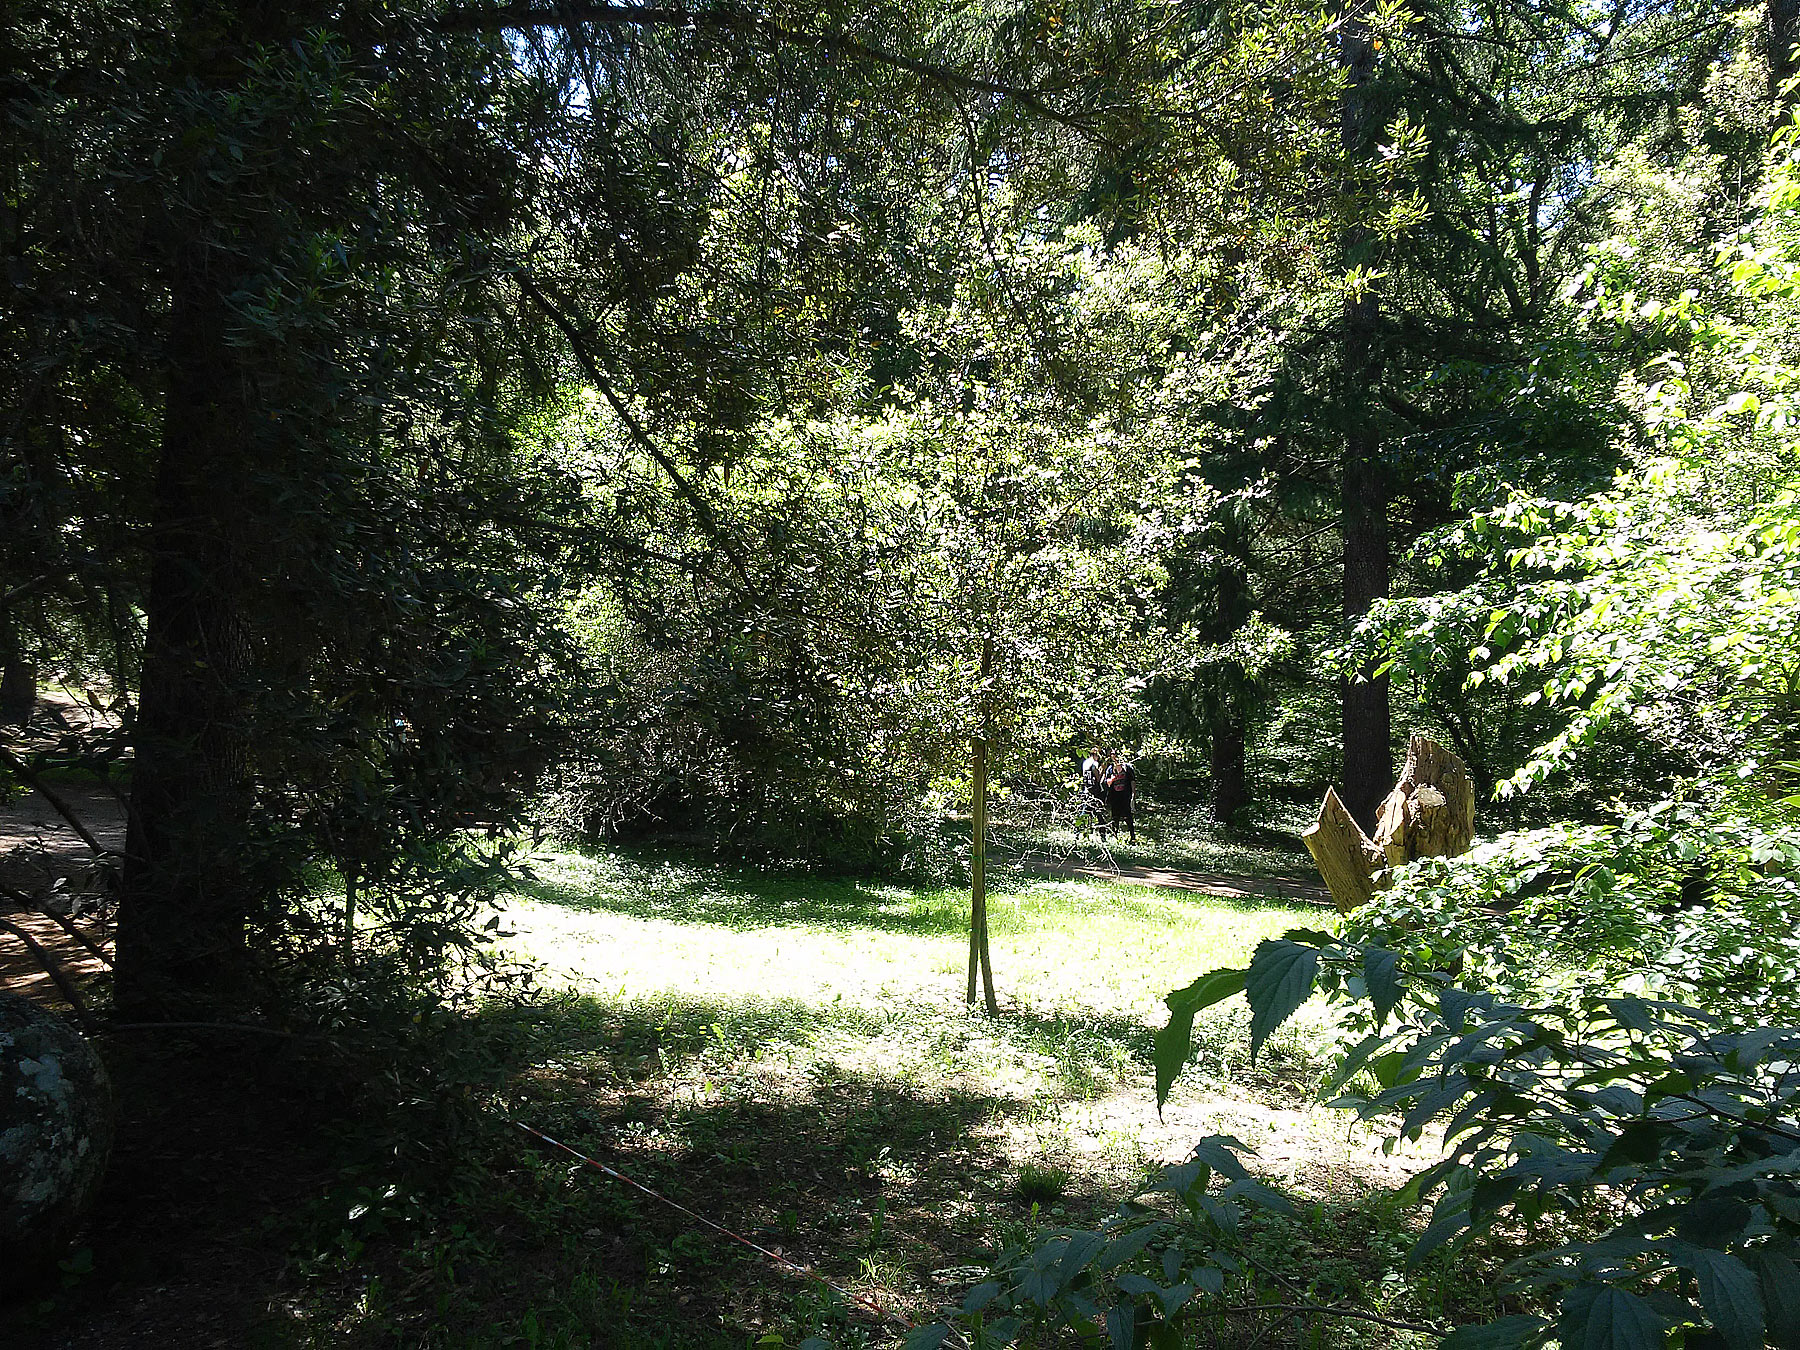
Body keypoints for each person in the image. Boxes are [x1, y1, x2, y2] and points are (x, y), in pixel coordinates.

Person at [1104, 752, 1137, 843]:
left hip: (1125, 795)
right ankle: (1115, 835)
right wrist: (1112, 779)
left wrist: (1133, 794)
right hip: (1114, 796)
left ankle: (1132, 836)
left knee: (1128, 816)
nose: (1115, 758)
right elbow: (1107, 782)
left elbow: (1132, 781)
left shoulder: (1128, 768)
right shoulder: (1110, 769)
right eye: (1112, 755)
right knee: (1115, 816)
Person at [1080, 748, 1108, 837]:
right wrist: (1103, 769)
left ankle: (1078, 831)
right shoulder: (1094, 764)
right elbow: (1098, 778)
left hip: (1086, 789)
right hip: (1095, 791)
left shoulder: (1085, 762)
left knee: (1085, 812)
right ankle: (1102, 834)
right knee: (1098, 813)